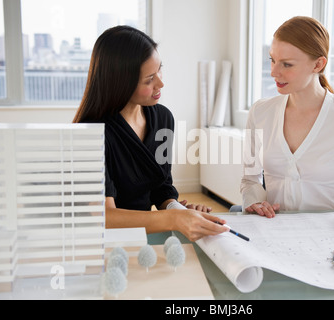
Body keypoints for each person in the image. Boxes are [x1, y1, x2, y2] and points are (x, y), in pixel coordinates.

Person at [73, 26, 227, 241]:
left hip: (145, 236)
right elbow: (105, 217)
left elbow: (161, 186)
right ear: (120, 83)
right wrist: (173, 219)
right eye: (149, 79)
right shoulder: (91, 134)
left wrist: (177, 209)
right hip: (102, 243)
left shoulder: (163, 119)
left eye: (160, 70)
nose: (161, 83)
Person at [240, 16, 334, 228]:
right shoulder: (260, 112)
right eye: (272, 60)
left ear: (318, 64)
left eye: (287, 64)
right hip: (271, 231)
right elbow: (250, 180)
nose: (273, 72)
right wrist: (255, 201)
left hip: (326, 237)